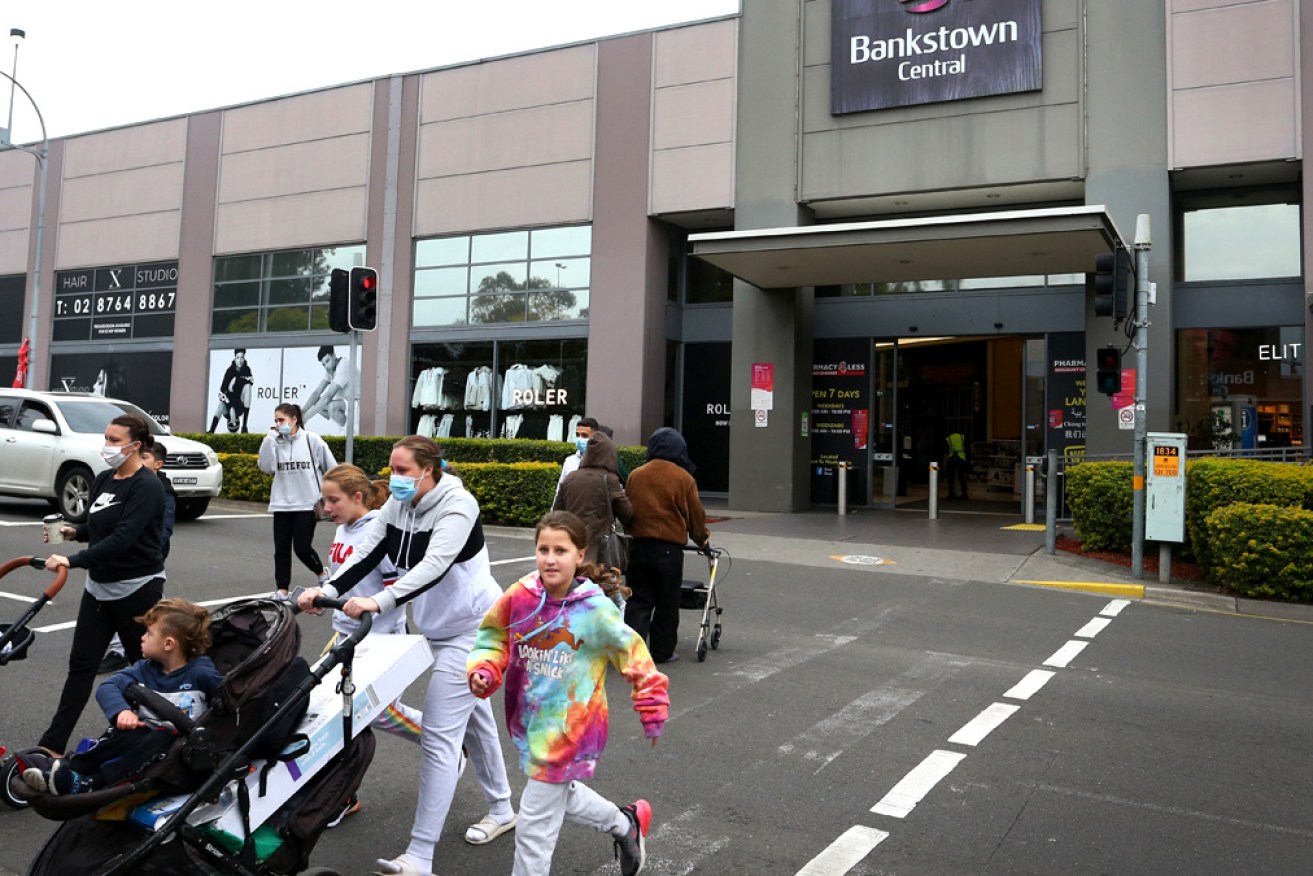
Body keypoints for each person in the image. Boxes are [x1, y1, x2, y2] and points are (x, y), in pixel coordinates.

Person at [296, 436, 515, 876]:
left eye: (401, 471)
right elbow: (368, 552)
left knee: (439, 736)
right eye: (391, 469)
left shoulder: (458, 504)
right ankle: (504, 808)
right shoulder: (399, 506)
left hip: (475, 628)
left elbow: (433, 565)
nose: (392, 479)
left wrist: (381, 601)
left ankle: (419, 855)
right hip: (435, 626)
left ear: (430, 470)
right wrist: (330, 591)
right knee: (476, 719)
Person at [468, 510, 666, 876]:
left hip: (570, 732)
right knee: (561, 795)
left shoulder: (595, 611)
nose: (550, 558)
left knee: (532, 829)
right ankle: (625, 824)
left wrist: (652, 708)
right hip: (529, 724)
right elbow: (493, 637)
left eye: (560, 550)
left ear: (580, 555)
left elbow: (635, 657)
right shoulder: (520, 596)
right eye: (543, 549)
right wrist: (484, 669)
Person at [38, 413, 167, 757]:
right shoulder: (104, 478)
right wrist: (75, 532)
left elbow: (124, 538)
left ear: (135, 445)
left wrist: (73, 559)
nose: (106, 446)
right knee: (81, 667)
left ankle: (150, 739)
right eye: (106, 438)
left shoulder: (147, 486)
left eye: (114, 440)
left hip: (138, 587)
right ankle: (51, 746)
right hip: (100, 587)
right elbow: (101, 526)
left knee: (143, 670)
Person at [22, 598, 222, 796]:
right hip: (143, 733)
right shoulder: (145, 669)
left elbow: (225, 706)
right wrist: (122, 710)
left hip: (179, 748)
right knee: (122, 734)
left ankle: (92, 782)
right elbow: (109, 686)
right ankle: (70, 769)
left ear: (168, 644)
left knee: (158, 739)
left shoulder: (201, 675)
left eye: (149, 633)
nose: (142, 637)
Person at [315, 464, 415, 827]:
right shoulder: (343, 528)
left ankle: (444, 741)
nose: (326, 508)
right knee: (333, 714)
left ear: (357, 497)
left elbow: (398, 588)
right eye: (324, 499)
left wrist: (369, 609)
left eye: (333, 500)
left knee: (375, 714)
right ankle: (341, 795)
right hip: (344, 636)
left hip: (379, 637)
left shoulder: (379, 531)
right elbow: (340, 576)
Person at [622, 427, 710, 665]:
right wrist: (703, 540)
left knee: (638, 600)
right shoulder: (683, 478)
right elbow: (695, 517)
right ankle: (662, 652)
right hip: (669, 550)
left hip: (639, 546)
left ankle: (632, 652)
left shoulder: (636, 474)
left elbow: (627, 510)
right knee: (666, 602)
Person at [99, 441, 178, 674]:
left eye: (145, 458)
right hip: (121, 559)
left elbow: (163, 531)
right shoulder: (128, 483)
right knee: (123, 606)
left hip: (145, 563)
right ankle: (121, 649)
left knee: (146, 610)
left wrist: (143, 550)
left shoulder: (163, 492)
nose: (139, 462)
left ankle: (152, 651)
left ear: (158, 464)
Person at [257, 403, 335, 600]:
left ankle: (321, 573)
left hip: (307, 504)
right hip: (281, 503)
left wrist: (332, 495)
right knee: (281, 549)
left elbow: (331, 468)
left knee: (302, 547)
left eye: (281, 420)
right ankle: (282, 589)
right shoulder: (275, 442)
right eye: (275, 420)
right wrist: (269, 441)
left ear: (294, 419)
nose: (277, 424)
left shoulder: (311, 440)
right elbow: (266, 467)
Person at [551, 430, 633, 565]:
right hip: (599, 552)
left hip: (572, 548)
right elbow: (626, 513)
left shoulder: (571, 477)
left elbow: (557, 512)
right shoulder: (609, 479)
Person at [302, 345, 353, 429]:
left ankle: (347, 429)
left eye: (327, 361)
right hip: (345, 405)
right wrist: (302, 411)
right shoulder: (331, 369)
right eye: (323, 364)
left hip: (356, 404)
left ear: (334, 355)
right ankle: (340, 427)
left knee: (331, 406)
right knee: (316, 401)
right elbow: (317, 392)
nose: (326, 366)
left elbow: (328, 396)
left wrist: (305, 418)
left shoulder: (344, 365)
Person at [553, 417, 598, 502]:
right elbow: (559, 491)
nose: (580, 439)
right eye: (577, 435)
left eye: (584, 435)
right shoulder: (569, 461)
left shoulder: (603, 460)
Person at [208, 349, 254, 433]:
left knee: (248, 387)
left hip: (239, 403)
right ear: (235, 358)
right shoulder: (229, 371)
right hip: (229, 402)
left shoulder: (247, 369)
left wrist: (236, 380)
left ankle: (244, 426)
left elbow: (251, 381)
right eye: (238, 358)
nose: (240, 361)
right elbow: (222, 390)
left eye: (242, 358)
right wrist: (229, 402)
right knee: (221, 405)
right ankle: (211, 430)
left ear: (244, 358)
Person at [944, 431, 970, 500]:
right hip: (961, 458)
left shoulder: (948, 438)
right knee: (961, 477)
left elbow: (946, 451)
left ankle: (951, 494)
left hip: (951, 459)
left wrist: (945, 462)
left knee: (951, 478)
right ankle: (964, 494)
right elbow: (967, 449)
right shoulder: (962, 437)